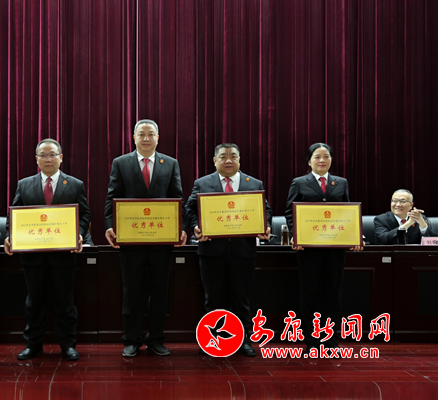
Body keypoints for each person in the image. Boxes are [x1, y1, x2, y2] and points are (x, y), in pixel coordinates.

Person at [104, 119, 187, 358]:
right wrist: (109, 226)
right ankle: (131, 340)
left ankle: (156, 340)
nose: (147, 138)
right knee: (132, 293)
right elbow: (112, 197)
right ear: (134, 137)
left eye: (151, 134)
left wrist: (181, 228)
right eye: (142, 134)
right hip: (131, 242)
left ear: (158, 138)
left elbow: (177, 199)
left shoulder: (170, 163)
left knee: (160, 293)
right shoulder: (121, 163)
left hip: (161, 243)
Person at [4, 138, 91, 362]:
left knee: (65, 302)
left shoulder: (75, 184)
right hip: (33, 256)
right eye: (43, 155)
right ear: (37, 159)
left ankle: (68, 345)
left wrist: (79, 234)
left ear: (61, 157)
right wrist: (10, 236)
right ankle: (33, 345)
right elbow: (13, 215)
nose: (48, 159)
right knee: (34, 302)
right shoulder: (24, 184)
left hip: (63, 255)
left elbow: (85, 215)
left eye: (52, 154)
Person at [185, 144, 272, 357]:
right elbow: (190, 210)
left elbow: (266, 210)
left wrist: (266, 225)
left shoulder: (254, 184)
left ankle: (243, 340)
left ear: (239, 159)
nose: (228, 160)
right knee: (213, 298)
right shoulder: (202, 183)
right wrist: (195, 226)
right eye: (223, 156)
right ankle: (212, 341)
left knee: (241, 299)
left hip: (243, 251)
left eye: (233, 156)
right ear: (215, 161)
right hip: (212, 251)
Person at [285, 143, 363, 355]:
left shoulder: (341, 182)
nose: (322, 160)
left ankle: (331, 340)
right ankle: (311, 339)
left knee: (333, 292)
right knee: (309, 292)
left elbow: (347, 211)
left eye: (326, 156)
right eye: (317, 156)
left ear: (331, 160)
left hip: (335, 248)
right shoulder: (299, 183)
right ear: (309, 161)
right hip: (308, 248)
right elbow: (290, 213)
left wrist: (355, 236)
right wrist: (295, 235)